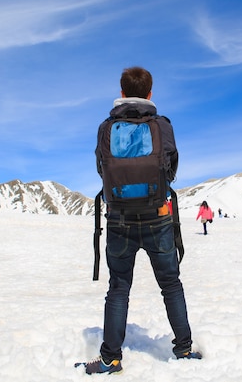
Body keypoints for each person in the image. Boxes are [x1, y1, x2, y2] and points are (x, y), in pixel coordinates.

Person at [81, 67, 201, 375]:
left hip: (119, 219)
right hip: (157, 217)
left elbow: (101, 167)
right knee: (171, 284)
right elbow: (172, 164)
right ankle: (184, 349)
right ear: (150, 94)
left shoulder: (107, 127)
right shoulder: (162, 126)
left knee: (119, 288)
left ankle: (111, 358)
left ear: (121, 93)